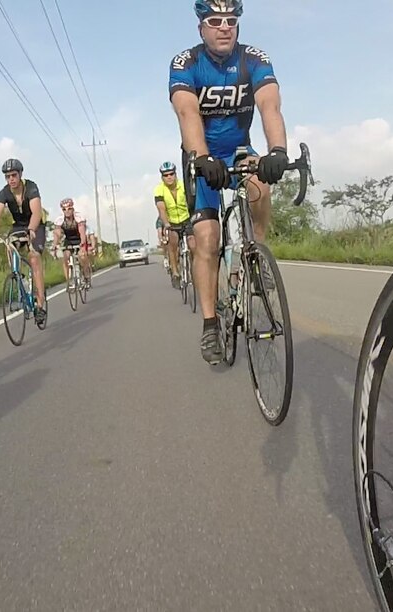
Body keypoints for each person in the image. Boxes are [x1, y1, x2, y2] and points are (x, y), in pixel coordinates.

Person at [169, 0, 291, 363]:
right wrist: (203, 158)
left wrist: (278, 151)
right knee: (207, 238)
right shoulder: (186, 63)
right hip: (202, 155)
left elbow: (270, 106)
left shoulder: (253, 58)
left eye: (231, 20)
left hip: (239, 148)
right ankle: (209, 325)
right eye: (215, 20)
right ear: (201, 28)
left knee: (260, 185)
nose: (225, 27)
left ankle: (255, 255)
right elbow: (187, 112)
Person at [0, 159, 48, 326]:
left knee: (34, 257)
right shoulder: (4, 192)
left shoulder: (31, 187)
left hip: (36, 225)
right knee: (9, 246)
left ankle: (40, 303)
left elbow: (36, 212)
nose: (11, 179)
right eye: (7, 177)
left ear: (20, 174)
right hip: (18, 226)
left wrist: (32, 230)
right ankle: (18, 277)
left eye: (13, 175)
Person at [154, 161, 194, 284]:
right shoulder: (159, 190)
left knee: (193, 245)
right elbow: (161, 208)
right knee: (173, 245)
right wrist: (166, 223)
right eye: (166, 175)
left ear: (175, 174)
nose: (169, 177)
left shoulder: (183, 186)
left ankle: (193, 270)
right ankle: (175, 272)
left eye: (171, 174)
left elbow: (191, 203)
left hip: (186, 218)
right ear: (162, 177)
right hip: (171, 221)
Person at [51, 198, 91, 288]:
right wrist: (54, 244)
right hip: (69, 240)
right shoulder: (60, 220)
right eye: (64, 209)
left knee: (82, 255)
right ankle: (68, 281)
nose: (67, 211)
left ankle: (86, 275)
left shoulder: (79, 217)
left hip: (79, 239)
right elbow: (57, 233)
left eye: (69, 209)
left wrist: (83, 243)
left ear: (73, 209)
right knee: (65, 257)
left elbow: (82, 232)